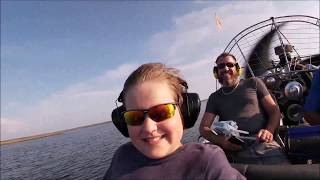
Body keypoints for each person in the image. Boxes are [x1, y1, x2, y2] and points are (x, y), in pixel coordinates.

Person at [104, 63, 245, 180]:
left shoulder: (208, 162)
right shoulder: (122, 157)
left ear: (184, 112)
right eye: (134, 117)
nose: (148, 128)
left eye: (161, 112)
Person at [199, 53, 288, 164]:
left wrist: (268, 130)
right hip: (233, 148)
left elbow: (274, 111)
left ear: (237, 69)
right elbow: (204, 127)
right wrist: (221, 141)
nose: (226, 68)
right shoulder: (214, 98)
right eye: (221, 66)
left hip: (262, 142)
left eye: (230, 65)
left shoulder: (254, 83)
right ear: (216, 72)